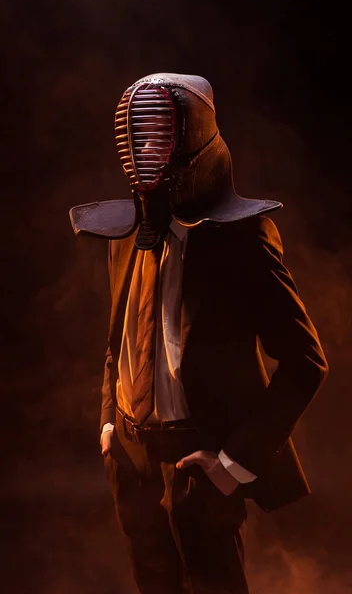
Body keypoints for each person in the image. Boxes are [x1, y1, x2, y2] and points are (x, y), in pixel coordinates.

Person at [70, 72, 329, 594]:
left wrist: (232, 464)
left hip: (200, 461)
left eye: (159, 136)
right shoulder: (124, 236)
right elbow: (119, 337)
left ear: (194, 141)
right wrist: (108, 427)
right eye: (135, 137)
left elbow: (305, 360)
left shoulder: (241, 239)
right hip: (131, 457)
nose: (144, 151)